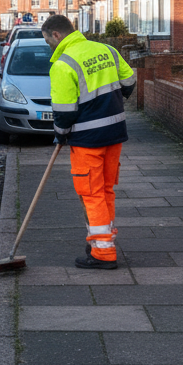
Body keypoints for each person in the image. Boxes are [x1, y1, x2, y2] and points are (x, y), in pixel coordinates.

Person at [42, 15, 136, 270]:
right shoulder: (106, 49)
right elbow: (129, 82)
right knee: (105, 191)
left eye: (47, 40)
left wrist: (60, 134)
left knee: (91, 194)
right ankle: (101, 240)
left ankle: (103, 253)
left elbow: (65, 112)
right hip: (115, 133)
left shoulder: (63, 64)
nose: (48, 45)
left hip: (87, 140)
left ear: (56, 35)